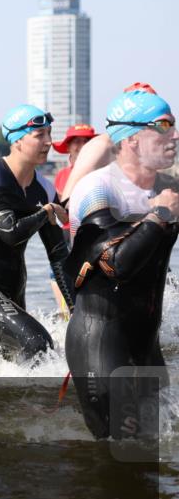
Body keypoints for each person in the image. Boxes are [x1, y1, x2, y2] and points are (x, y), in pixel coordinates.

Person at [64, 84, 178, 439]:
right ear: (130, 139)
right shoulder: (97, 189)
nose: (173, 135)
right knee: (119, 453)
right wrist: (159, 216)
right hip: (100, 342)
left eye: (173, 124)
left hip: (146, 342)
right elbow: (114, 263)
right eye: (162, 126)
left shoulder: (167, 186)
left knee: (155, 448)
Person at [0, 105, 73, 361]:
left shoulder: (44, 188)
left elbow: (58, 255)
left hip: (13, 291)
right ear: (17, 140)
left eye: (49, 134)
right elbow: (10, 232)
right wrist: (46, 212)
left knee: (14, 362)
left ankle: (15, 402)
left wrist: (75, 309)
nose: (49, 142)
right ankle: (33, 403)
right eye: (39, 135)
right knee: (38, 344)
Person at [53, 124, 97, 200]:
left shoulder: (100, 172)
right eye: (77, 141)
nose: (83, 145)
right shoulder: (61, 174)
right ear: (68, 147)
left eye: (86, 141)